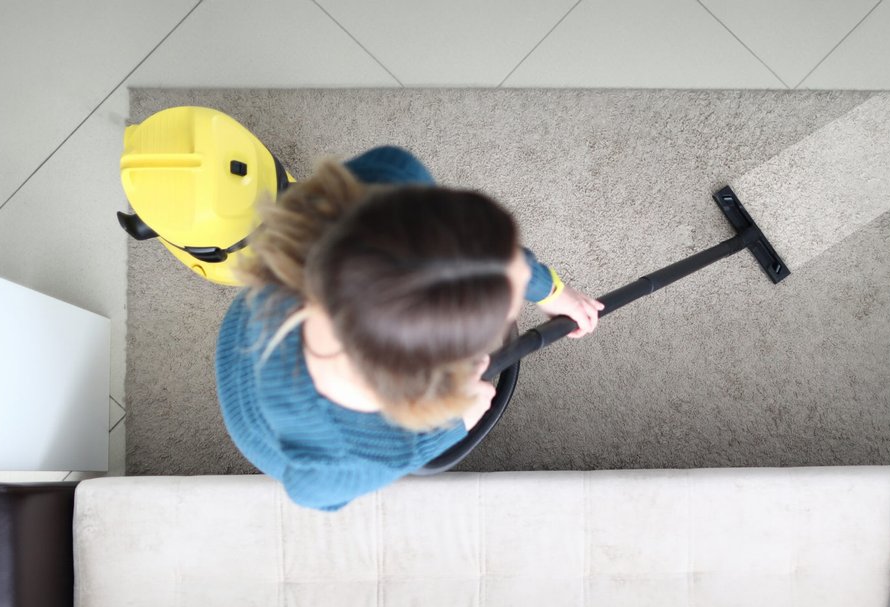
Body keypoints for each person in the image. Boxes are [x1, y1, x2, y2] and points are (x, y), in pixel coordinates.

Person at [215, 145, 601, 511]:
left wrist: (549, 289)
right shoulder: (353, 451)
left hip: (262, 313)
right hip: (262, 425)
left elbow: (467, 251)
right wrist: (452, 425)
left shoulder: (385, 182)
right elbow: (312, 494)